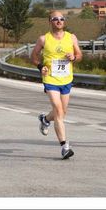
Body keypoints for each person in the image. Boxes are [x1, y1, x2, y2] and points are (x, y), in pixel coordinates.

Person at [31, 10, 82, 159]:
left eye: (61, 18)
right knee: (58, 110)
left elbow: (79, 55)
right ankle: (64, 146)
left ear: (64, 21)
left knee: (62, 112)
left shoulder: (71, 38)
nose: (59, 21)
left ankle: (45, 119)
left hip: (66, 79)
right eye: (55, 19)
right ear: (50, 22)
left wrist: (74, 57)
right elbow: (33, 56)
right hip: (51, 79)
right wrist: (41, 66)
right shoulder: (43, 39)